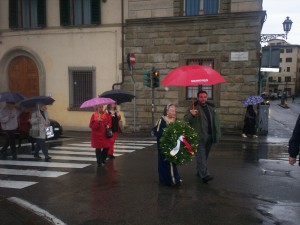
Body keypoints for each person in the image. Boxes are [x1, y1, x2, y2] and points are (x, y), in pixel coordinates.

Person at [184, 90, 221, 183]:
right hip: (198, 136)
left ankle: (200, 170)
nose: (203, 99)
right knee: (201, 156)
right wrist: (192, 115)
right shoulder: (193, 107)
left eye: (205, 97)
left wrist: (217, 134)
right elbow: (186, 120)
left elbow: (216, 122)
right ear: (198, 98)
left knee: (205, 155)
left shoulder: (211, 107)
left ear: (207, 97)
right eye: (201, 97)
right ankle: (205, 175)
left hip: (209, 136)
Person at [152, 103, 182, 187]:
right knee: (164, 162)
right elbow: (156, 132)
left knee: (172, 162)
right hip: (163, 145)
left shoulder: (176, 120)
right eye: (171, 110)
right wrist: (166, 133)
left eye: (174, 110)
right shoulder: (162, 120)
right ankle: (169, 179)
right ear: (167, 111)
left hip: (173, 145)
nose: (173, 112)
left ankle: (172, 179)